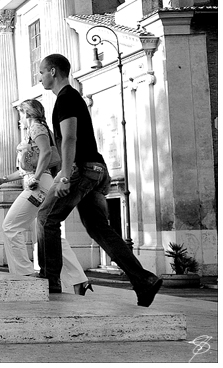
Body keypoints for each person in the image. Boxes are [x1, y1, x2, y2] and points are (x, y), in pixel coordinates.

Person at [36, 53, 163, 306]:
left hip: (81, 169)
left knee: (46, 217)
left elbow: (69, 137)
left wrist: (65, 175)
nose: (39, 78)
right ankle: (144, 280)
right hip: (96, 170)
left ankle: (49, 282)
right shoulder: (73, 97)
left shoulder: (66, 98)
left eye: (41, 72)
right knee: (99, 229)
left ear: (52, 71)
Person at [0, 99, 92, 295]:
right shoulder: (36, 130)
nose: (20, 119)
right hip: (41, 183)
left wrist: (35, 178)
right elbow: (26, 170)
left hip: (38, 186)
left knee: (10, 227)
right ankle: (79, 279)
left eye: (21, 114)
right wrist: (2, 180)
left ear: (27, 114)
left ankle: (24, 275)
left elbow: (46, 153)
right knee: (47, 234)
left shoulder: (36, 128)